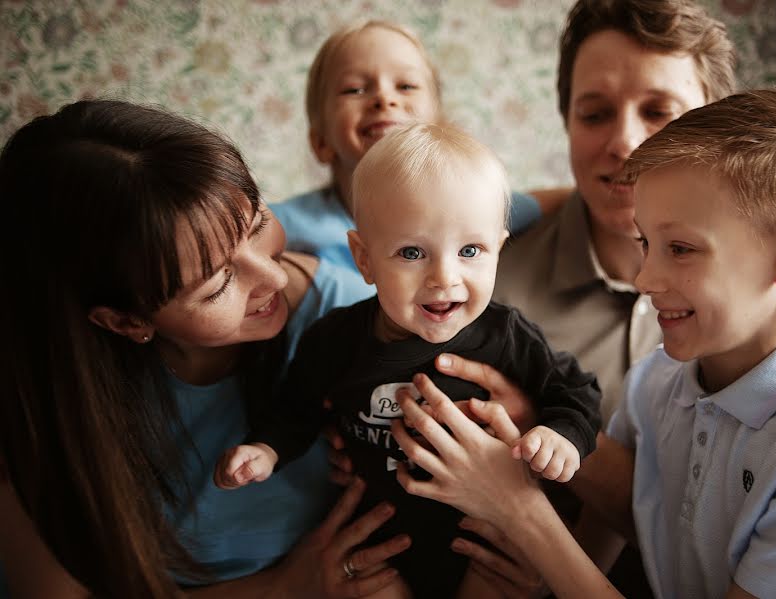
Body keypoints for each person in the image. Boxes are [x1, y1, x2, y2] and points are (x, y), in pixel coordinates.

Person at [390, 87, 776, 598]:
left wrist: (519, 509)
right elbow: (588, 561)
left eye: (680, 248)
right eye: (646, 244)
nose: (645, 277)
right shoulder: (656, 385)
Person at [0, 99, 413, 598]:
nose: (275, 276)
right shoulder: (39, 404)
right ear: (126, 321)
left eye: (258, 224)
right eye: (217, 285)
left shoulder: (356, 318)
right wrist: (281, 588)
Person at [215, 122, 602, 598]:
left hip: (483, 545)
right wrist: (267, 450)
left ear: (498, 249)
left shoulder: (507, 337)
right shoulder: (336, 339)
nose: (444, 277)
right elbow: (295, 407)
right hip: (382, 546)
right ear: (365, 258)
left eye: (470, 250)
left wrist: (559, 436)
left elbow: (576, 392)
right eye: (413, 252)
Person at [271, 19, 566, 273]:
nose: (384, 99)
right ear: (321, 142)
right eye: (355, 89)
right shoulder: (287, 224)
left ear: (439, 129)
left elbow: (545, 202)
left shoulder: (474, 206)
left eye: (406, 86)